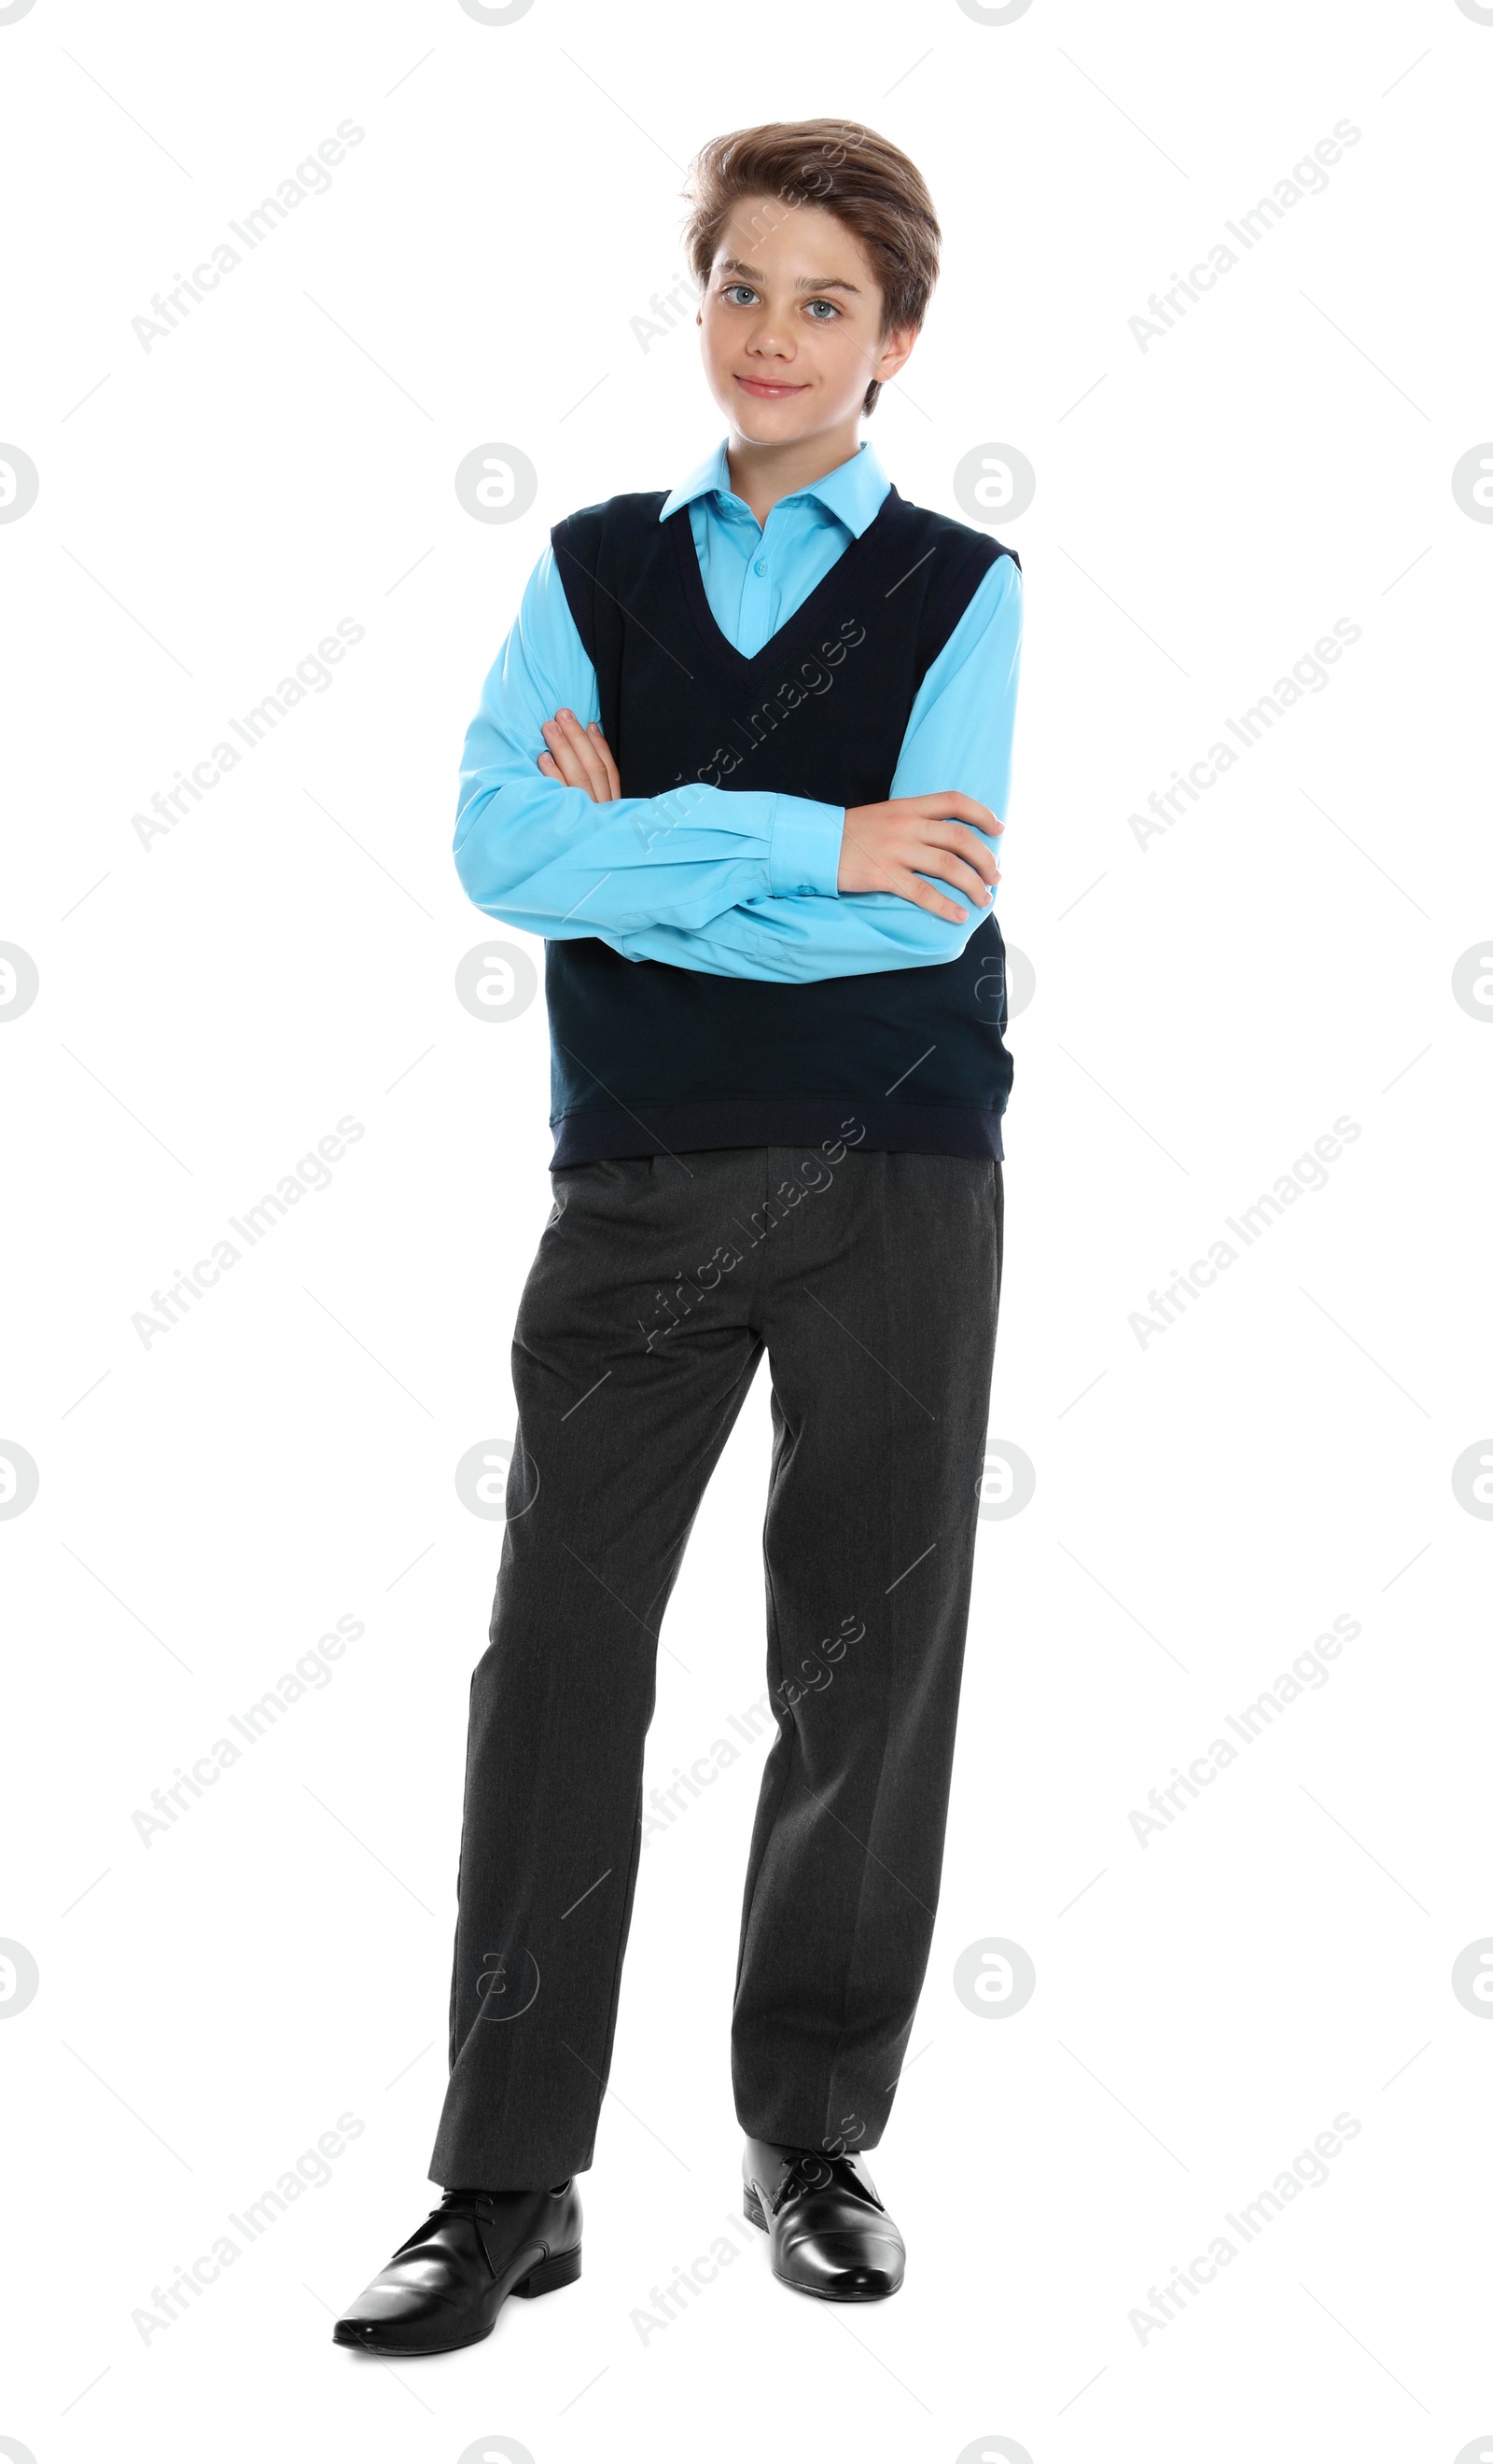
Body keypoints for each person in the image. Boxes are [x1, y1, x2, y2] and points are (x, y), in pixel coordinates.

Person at [335, 115, 1022, 2358]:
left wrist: (667, 847)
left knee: (860, 1657)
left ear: (892, 344)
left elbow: (928, 913)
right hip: (632, 1179)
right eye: (741, 286)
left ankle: (809, 2131)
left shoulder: (961, 589)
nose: (770, 334)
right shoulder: (588, 568)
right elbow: (498, 852)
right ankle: (502, 2181)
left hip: (897, 1172)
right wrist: (807, 839)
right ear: (699, 300)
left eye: (823, 301)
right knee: (558, 1660)